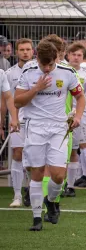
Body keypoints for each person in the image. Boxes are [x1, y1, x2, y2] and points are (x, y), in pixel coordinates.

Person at [15, 41, 85, 231]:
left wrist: (77, 116)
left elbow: (81, 97)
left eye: (50, 64)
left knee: (58, 175)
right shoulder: (29, 72)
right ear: (36, 57)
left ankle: (51, 200)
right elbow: (17, 102)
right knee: (36, 172)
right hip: (35, 127)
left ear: (56, 58)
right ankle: (37, 218)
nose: (46, 68)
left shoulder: (67, 72)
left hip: (58, 128)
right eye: (42, 64)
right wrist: (36, 88)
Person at [64, 43, 86, 196]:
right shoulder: (61, 71)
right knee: (66, 149)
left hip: (83, 114)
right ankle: (64, 182)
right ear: (68, 55)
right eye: (73, 54)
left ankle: (80, 181)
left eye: (79, 55)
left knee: (83, 145)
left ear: (83, 58)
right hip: (63, 114)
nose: (76, 58)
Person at [6, 38, 33, 208]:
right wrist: (13, 118)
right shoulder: (10, 74)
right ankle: (17, 195)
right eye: (22, 49)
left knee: (33, 156)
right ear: (17, 52)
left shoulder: (38, 70)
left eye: (28, 49)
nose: (25, 52)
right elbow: (8, 98)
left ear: (33, 51)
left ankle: (31, 189)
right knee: (17, 153)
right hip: (17, 120)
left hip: (35, 120)